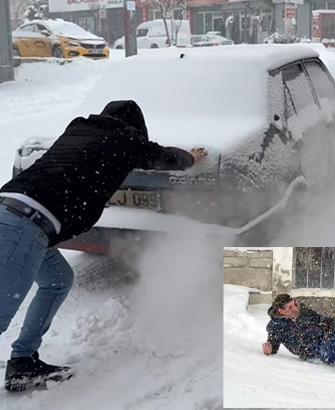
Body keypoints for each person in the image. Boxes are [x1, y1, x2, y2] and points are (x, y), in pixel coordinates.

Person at [0, 100, 207, 392]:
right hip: (23, 226)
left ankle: (22, 362)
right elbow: (166, 158)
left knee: (58, 281)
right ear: (137, 128)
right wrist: (191, 157)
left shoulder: (79, 130)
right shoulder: (125, 140)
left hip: (18, 216)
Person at [262, 294, 335, 372]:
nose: (295, 309)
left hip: (324, 341)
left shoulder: (302, 310)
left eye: (294, 304)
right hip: (316, 354)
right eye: (290, 307)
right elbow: (273, 344)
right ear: (281, 311)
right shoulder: (276, 325)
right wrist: (269, 347)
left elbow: (320, 320)